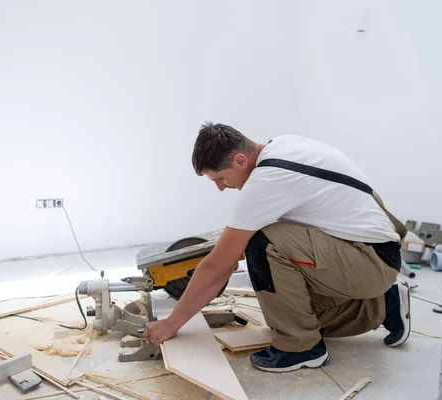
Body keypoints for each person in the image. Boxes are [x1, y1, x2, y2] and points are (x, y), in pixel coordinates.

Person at [143, 122, 411, 372]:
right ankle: (384, 304)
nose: (221, 188)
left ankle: (302, 347)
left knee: (262, 242)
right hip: (374, 253)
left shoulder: (266, 180)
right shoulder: (285, 144)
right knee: (297, 313)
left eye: (220, 179)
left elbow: (217, 268)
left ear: (239, 160)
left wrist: (171, 323)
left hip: (369, 261)